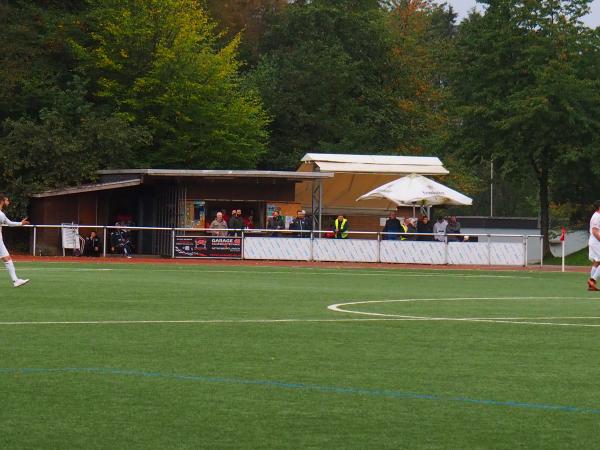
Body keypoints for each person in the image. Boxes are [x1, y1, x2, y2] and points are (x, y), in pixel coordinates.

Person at [0, 195, 30, 287]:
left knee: (7, 259)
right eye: (7, 200)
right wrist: (21, 223)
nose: (8, 202)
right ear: (1, 201)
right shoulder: (0, 214)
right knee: (7, 259)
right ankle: (15, 280)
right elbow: (9, 224)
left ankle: (15, 280)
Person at [588, 201, 600, 291]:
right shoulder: (597, 216)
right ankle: (593, 280)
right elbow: (595, 231)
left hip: (594, 241)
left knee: (597, 262)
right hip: (596, 241)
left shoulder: (597, 215)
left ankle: (591, 285)